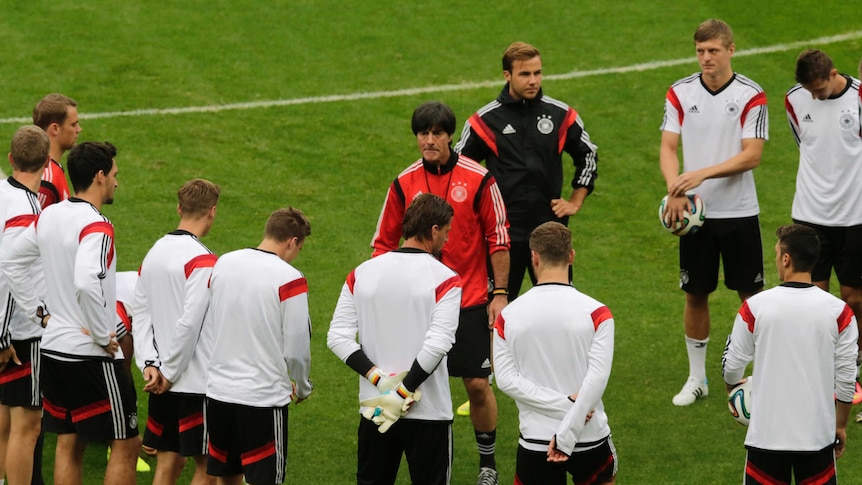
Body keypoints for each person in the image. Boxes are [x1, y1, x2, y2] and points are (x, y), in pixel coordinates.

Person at [371, 101, 509, 484]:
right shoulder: (404, 182)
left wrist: (499, 294)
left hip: (466, 302)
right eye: (422, 133)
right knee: (406, 379)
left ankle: (487, 463)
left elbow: (498, 238)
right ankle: (393, 449)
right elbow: (382, 243)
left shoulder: (479, 179)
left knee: (478, 385)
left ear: (450, 136)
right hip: (418, 305)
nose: (429, 141)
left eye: (437, 133)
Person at [0, 141, 141, 484]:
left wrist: (41, 315)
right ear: (99, 176)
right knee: (126, 443)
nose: (116, 183)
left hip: (51, 348)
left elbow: (10, 261)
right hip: (89, 354)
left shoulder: (49, 214)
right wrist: (99, 334)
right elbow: (87, 281)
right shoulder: (97, 226)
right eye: (114, 175)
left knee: (68, 442)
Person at [659, 19, 768, 406]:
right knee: (695, 294)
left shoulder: (751, 95)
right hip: (696, 216)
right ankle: (697, 378)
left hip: (739, 212)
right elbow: (669, 148)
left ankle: (764, 374)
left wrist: (699, 174)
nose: (706, 58)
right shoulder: (680, 92)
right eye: (701, 51)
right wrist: (676, 188)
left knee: (752, 297)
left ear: (731, 50)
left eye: (713, 51)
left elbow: (752, 155)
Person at [330, 193, 461, 485]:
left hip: (375, 410)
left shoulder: (362, 273)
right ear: (434, 230)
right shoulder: (445, 278)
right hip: (429, 413)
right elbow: (438, 343)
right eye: (447, 232)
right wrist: (402, 393)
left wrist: (380, 381)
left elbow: (337, 337)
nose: (447, 240)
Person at [455, 41, 599, 301]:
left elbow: (587, 154)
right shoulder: (485, 122)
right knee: (496, 308)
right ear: (507, 75)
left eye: (538, 73)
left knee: (557, 306)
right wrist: (477, 213)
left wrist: (576, 201)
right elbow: (460, 169)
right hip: (503, 233)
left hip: (550, 231)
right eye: (525, 74)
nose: (533, 80)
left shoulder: (559, 115)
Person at [722, 224, 858, 484]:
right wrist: (840, 425)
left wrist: (735, 391)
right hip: (817, 438)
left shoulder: (755, 307)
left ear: (786, 259)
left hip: (766, 438)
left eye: (776, 254)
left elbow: (732, 367)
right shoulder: (839, 312)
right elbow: (846, 378)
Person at [493, 222, 616, 484]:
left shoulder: (507, 316)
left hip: (535, 439)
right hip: (589, 436)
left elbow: (505, 380)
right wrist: (570, 420)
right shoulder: (598, 313)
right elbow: (596, 380)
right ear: (571, 256)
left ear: (533, 257)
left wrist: (562, 409)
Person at [205, 207, 313, 485]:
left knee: (226, 477)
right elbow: (297, 346)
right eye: (299, 247)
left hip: (218, 393)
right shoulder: (290, 278)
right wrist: (302, 385)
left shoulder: (224, 263)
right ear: (292, 241)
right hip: (262, 399)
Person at [784, 48, 862, 399]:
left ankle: (855, 360)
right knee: (813, 296)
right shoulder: (794, 100)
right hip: (809, 215)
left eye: (820, 89)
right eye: (809, 91)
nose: (814, 97)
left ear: (833, 74)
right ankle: (819, 366)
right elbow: (806, 144)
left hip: (854, 217)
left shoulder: (859, 98)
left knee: (854, 297)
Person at [132, 179, 220, 485]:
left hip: (161, 383)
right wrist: (168, 370)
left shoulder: (153, 253)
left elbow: (140, 314)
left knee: (167, 465)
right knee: (208, 469)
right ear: (212, 212)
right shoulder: (204, 260)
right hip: (196, 382)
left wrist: (149, 364)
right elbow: (189, 323)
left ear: (179, 208)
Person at [0, 125, 50, 485]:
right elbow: (8, 269)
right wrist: (2, 336)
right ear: (47, 164)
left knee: (4, 423)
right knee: (27, 427)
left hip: (10, 330)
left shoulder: (3, 193)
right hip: (20, 335)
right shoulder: (25, 208)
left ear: (11, 159)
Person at [32, 94, 81, 208]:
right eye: (73, 124)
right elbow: (32, 224)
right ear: (55, 129)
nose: (79, 129)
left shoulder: (52, 169)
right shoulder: (45, 180)